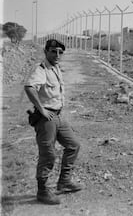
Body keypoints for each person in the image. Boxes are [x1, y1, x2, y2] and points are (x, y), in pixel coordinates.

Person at [24, 39, 82, 205]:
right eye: (53, 51)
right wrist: (41, 109)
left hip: (58, 116)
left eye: (60, 52)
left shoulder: (55, 68)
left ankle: (64, 182)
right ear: (46, 51)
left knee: (74, 145)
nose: (57, 55)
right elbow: (29, 87)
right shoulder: (41, 69)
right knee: (48, 155)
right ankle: (42, 191)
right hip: (46, 119)